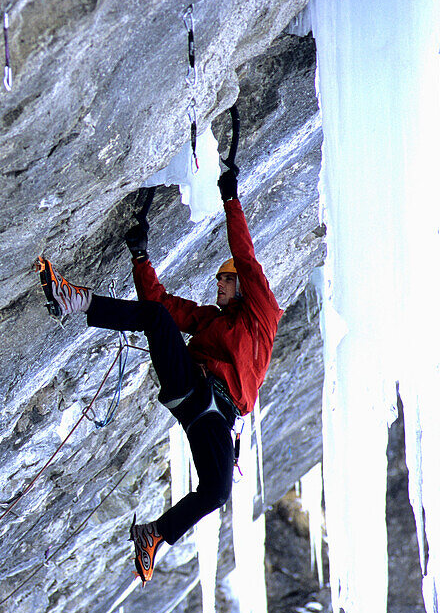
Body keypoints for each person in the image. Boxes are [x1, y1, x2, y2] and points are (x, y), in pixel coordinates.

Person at [35, 166, 282, 582]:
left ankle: (155, 533)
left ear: (241, 286)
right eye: (219, 279)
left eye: (224, 280)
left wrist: (230, 200)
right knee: (155, 315)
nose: (217, 284)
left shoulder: (262, 317)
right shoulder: (209, 321)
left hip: (212, 414)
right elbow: (161, 303)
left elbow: (246, 258)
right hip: (191, 385)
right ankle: (73, 300)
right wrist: (140, 258)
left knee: (218, 490)